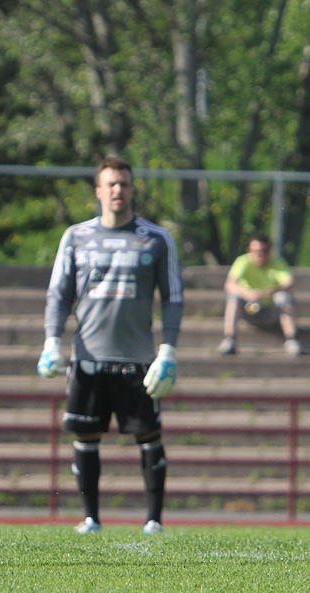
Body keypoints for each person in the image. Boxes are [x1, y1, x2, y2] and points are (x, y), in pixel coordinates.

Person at [37, 156, 183, 535]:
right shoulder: (75, 236)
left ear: (133, 190)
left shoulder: (157, 238)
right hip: (88, 359)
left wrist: (168, 350)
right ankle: (91, 519)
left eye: (125, 184)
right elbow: (59, 294)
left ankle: (154, 521)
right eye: (112, 184)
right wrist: (52, 341)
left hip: (139, 361)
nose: (119, 190)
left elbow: (172, 298)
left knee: (149, 437)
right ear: (99, 192)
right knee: (85, 438)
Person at [218, 232, 302, 356]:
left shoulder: (278, 263)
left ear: (269, 251)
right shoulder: (242, 262)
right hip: (248, 309)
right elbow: (230, 285)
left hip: (271, 310)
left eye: (264, 251)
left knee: (284, 297)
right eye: (256, 251)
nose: (260, 255)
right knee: (233, 297)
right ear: (249, 250)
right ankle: (229, 339)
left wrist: (272, 291)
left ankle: (291, 339)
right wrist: (248, 294)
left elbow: (290, 283)